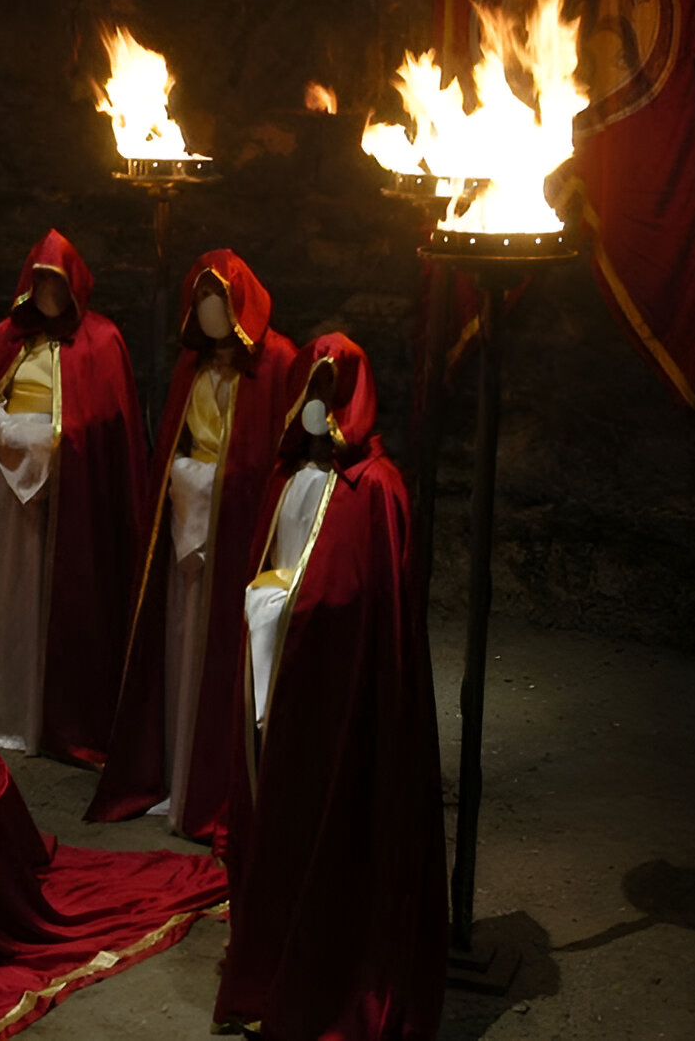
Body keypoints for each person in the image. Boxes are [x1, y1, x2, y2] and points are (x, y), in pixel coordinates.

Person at [213, 333, 446, 1039]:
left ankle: (324, 972)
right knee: (275, 812)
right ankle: (269, 963)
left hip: (338, 692)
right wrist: (272, 609)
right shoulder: (288, 478)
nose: (317, 406)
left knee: (326, 819)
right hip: (273, 664)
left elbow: (373, 609)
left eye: (328, 392)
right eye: (309, 391)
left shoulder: (376, 488)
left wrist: (295, 609)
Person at [88, 249, 296, 837]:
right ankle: (179, 771)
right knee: (183, 644)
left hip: (235, 527)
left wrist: (223, 486)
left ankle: (217, 780)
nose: (209, 311)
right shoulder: (193, 365)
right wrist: (188, 481)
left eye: (219, 300)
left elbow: (268, 457)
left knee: (223, 649)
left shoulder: (276, 362)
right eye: (200, 300)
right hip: (187, 521)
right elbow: (173, 448)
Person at [0, 229, 145, 760]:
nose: (48, 292)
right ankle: (3, 708)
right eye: (40, 280)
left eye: (57, 282)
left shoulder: (102, 341)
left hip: (70, 490)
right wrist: (7, 429)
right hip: (6, 486)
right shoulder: (6, 339)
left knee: (60, 593)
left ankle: (56, 713)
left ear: (75, 285)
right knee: (6, 593)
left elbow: (107, 423)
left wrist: (57, 438)